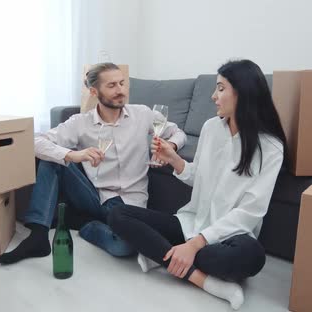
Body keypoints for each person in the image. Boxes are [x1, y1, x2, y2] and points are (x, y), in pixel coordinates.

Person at [108, 59, 288, 310]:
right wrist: (174, 160)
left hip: (229, 237)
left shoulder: (270, 147)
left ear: (243, 93)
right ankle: (203, 280)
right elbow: (198, 177)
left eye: (221, 88)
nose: (214, 96)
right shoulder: (211, 128)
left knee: (253, 257)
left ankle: (163, 255)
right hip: (190, 222)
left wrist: (195, 244)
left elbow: (251, 212)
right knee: (117, 213)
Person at [0, 62, 187, 265]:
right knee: (51, 159)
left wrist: (171, 146)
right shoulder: (81, 122)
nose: (120, 90)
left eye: (122, 83)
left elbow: (178, 132)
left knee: (123, 247)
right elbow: (35, 141)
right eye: (112, 85)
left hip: (131, 205)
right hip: (94, 196)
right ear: (94, 91)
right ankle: (38, 235)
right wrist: (74, 155)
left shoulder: (143, 114)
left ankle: (81, 222)